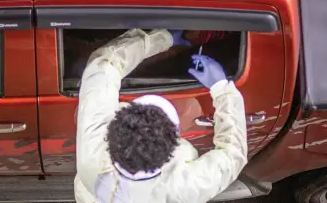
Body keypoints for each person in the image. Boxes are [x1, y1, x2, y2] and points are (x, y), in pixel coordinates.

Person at [73, 28, 247, 203]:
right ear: (172, 148)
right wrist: (221, 88)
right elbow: (233, 155)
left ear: (114, 130)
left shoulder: (92, 154)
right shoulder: (184, 187)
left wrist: (162, 39)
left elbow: (103, 64)